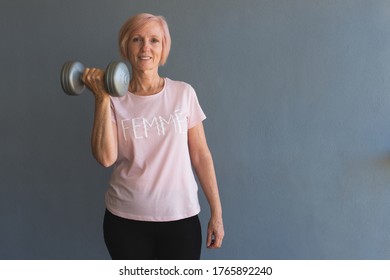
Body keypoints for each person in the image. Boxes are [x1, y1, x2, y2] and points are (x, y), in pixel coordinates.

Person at [82, 13, 224, 260]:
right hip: (125, 222)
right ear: (126, 47)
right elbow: (106, 158)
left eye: (154, 40)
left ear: (163, 47)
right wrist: (101, 97)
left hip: (181, 219)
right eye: (137, 39)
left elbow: (201, 156)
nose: (145, 47)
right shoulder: (114, 99)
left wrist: (217, 213)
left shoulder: (183, 93)